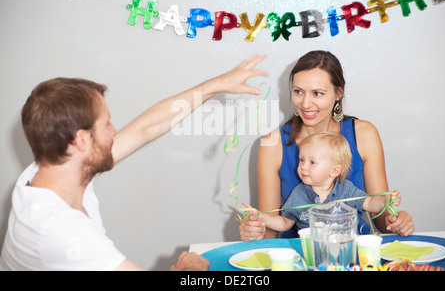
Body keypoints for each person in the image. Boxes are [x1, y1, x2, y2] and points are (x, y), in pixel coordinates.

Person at [0, 55, 268, 271]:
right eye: (106, 124)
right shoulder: (61, 230)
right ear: (81, 140)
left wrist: (217, 84)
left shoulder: (53, 167)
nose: (114, 131)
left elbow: (145, 129)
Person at [239, 50, 414, 241]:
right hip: (299, 254)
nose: (305, 103)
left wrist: (394, 220)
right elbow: (270, 233)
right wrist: (256, 230)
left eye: (317, 93)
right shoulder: (271, 144)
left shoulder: (364, 134)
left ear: (338, 93)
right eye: (298, 91)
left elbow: (380, 220)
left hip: (353, 252)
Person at [243, 132, 401, 234]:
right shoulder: (299, 193)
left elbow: (371, 203)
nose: (303, 166)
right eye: (302, 160)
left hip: (347, 252)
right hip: (312, 255)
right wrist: (263, 218)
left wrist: (386, 201)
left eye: (312, 162)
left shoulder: (346, 189)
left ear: (334, 171)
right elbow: (284, 223)